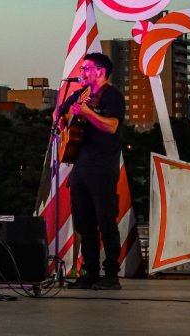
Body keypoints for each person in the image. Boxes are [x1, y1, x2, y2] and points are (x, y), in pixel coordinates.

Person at [57, 52, 125, 290]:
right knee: (84, 222)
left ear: (100, 71)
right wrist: (64, 121)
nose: (82, 72)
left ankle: (112, 274)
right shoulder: (81, 93)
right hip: (81, 165)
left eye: (86, 68)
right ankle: (91, 272)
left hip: (102, 166)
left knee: (106, 221)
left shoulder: (112, 95)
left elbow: (112, 126)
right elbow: (60, 113)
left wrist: (88, 113)